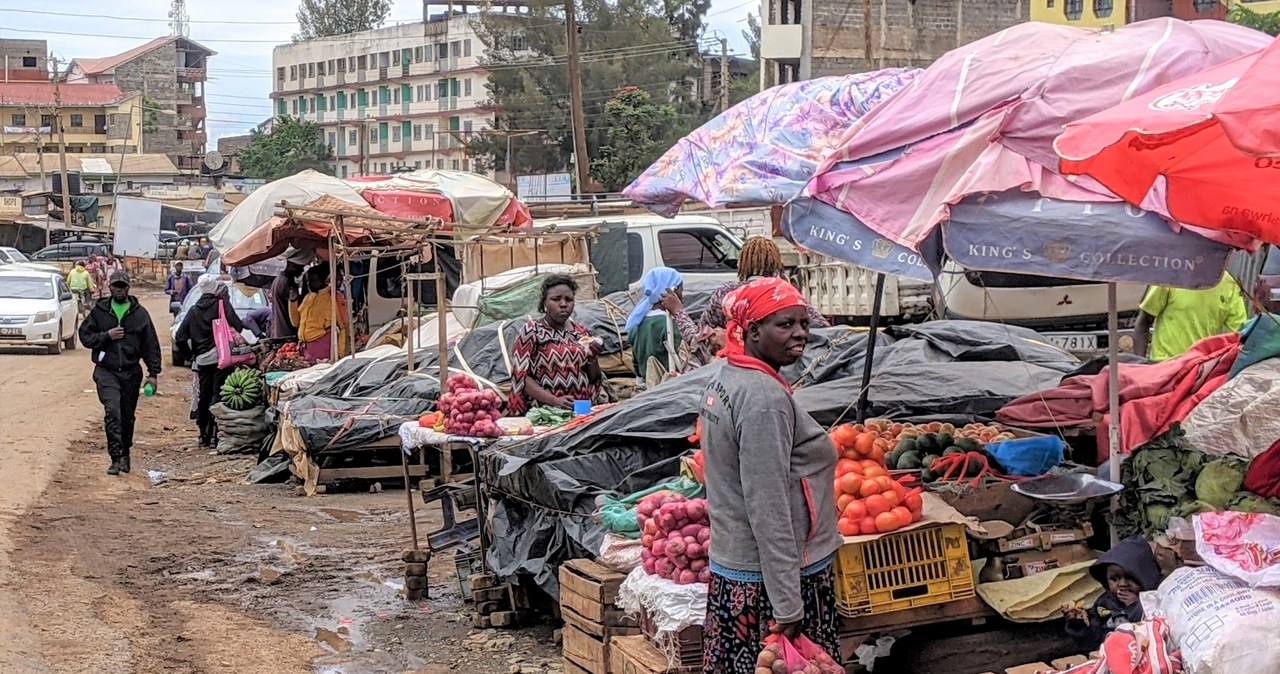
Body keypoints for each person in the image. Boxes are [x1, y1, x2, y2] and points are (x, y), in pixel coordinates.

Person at [699, 277, 841, 674]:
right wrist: (787, 603)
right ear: (752, 331)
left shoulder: (727, 377)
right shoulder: (763, 399)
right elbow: (768, 508)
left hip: (739, 570)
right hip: (771, 582)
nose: (800, 334)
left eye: (803, 324)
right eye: (785, 324)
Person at [78, 271, 162, 475]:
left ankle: (125, 454)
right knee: (112, 412)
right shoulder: (100, 311)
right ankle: (115, 458)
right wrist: (106, 336)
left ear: (128, 288)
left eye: (122, 286)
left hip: (131, 373)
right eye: (115, 286)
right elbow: (85, 336)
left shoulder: (140, 314)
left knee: (126, 417)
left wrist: (153, 373)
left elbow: (151, 345)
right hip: (106, 371)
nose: (119, 289)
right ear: (110, 286)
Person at [507, 274, 607, 416]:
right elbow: (521, 376)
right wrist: (554, 400)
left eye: (569, 299)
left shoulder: (580, 333)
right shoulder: (533, 331)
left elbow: (593, 378)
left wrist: (593, 357)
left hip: (580, 410)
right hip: (546, 412)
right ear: (544, 303)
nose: (563, 304)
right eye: (556, 299)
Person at [176, 276, 247, 448]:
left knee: (204, 395)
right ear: (215, 288)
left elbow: (180, 337)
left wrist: (191, 354)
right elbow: (238, 325)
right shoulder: (221, 305)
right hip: (222, 358)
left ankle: (202, 435)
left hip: (202, 360)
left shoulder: (193, 311)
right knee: (219, 394)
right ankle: (216, 434)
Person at [1063, 536, 1162, 649]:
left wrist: (1135, 605)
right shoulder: (1105, 602)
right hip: (1105, 653)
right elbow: (1091, 638)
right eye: (1114, 579)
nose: (1122, 584)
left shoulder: (1153, 602)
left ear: (1145, 576)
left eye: (1130, 578)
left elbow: (1151, 629)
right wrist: (1078, 624)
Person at [1134, 271, 1248, 361]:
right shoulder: (1171, 276)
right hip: (1164, 366)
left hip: (1199, 369)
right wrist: (1141, 367)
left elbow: (1239, 336)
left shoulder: (1230, 284)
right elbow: (1143, 322)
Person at [624, 267, 685, 387]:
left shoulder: (636, 324)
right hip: (670, 386)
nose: (682, 296)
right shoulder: (668, 325)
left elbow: (636, 363)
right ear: (673, 291)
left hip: (648, 385)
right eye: (681, 290)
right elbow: (685, 358)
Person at [289, 264, 348, 363]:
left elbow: (343, 327)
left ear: (324, 280)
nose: (309, 284)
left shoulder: (333, 297)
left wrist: (340, 353)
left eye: (313, 281)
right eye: (309, 281)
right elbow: (295, 323)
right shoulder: (308, 297)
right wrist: (292, 302)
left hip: (322, 347)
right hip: (305, 348)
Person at [269, 260, 305, 339]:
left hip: (278, 330)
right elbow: (294, 309)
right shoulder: (287, 282)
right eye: (300, 267)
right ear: (291, 265)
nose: (302, 270)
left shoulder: (278, 279)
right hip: (286, 332)